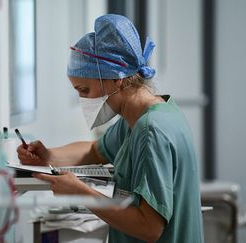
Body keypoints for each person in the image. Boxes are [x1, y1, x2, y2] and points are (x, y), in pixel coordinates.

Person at [17, 14, 203, 243]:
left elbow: (149, 227)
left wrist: (82, 193)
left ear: (117, 79)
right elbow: (96, 150)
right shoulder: (140, 118)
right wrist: (49, 156)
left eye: (84, 90)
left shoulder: (150, 130)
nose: (82, 100)